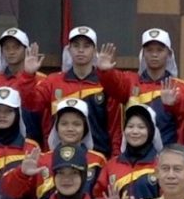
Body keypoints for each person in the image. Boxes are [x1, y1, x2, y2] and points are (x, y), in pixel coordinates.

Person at [24, 26, 132, 157]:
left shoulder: (106, 82)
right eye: (76, 46)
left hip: (98, 158)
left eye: (86, 46)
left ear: (95, 50)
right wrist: (28, 75)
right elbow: (31, 105)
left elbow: (115, 126)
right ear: (69, 50)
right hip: (59, 158)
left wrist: (115, 158)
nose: (81, 50)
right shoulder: (53, 81)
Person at [0, 98, 111, 199]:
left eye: (76, 124)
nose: (70, 129)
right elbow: (9, 193)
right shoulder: (40, 160)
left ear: (85, 128)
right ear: (56, 127)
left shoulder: (97, 160)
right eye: (64, 124)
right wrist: (22, 174)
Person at [106, 28, 183, 150]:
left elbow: (183, 127)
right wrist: (105, 72)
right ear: (143, 53)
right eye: (149, 50)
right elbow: (112, 84)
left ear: (169, 54)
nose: (154, 54)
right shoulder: (130, 81)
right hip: (133, 155)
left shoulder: (180, 86)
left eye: (160, 50)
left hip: (166, 155)